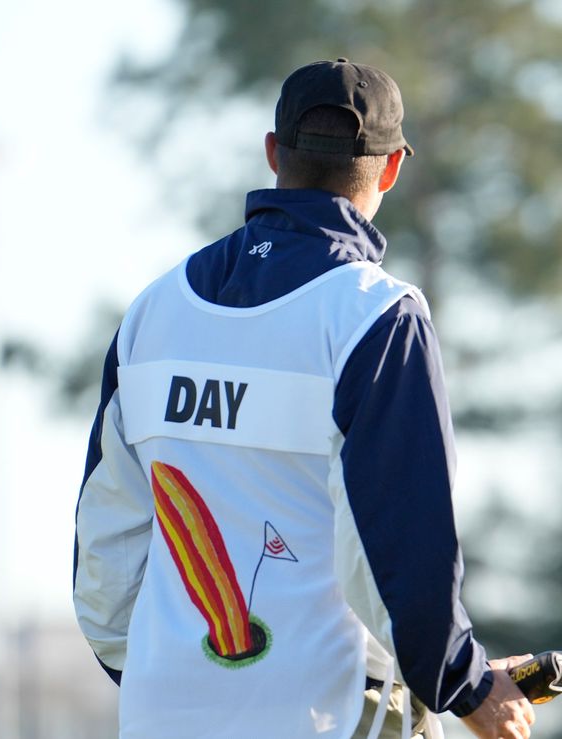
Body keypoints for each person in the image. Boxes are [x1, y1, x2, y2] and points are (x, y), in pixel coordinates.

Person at [73, 58, 535, 739]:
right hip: (326, 709)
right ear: (392, 169)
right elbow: (398, 543)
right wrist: (463, 682)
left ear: (272, 153)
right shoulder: (377, 314)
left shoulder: (153, 310)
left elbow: (105, 549)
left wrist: (155, 668)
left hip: (162, 712)